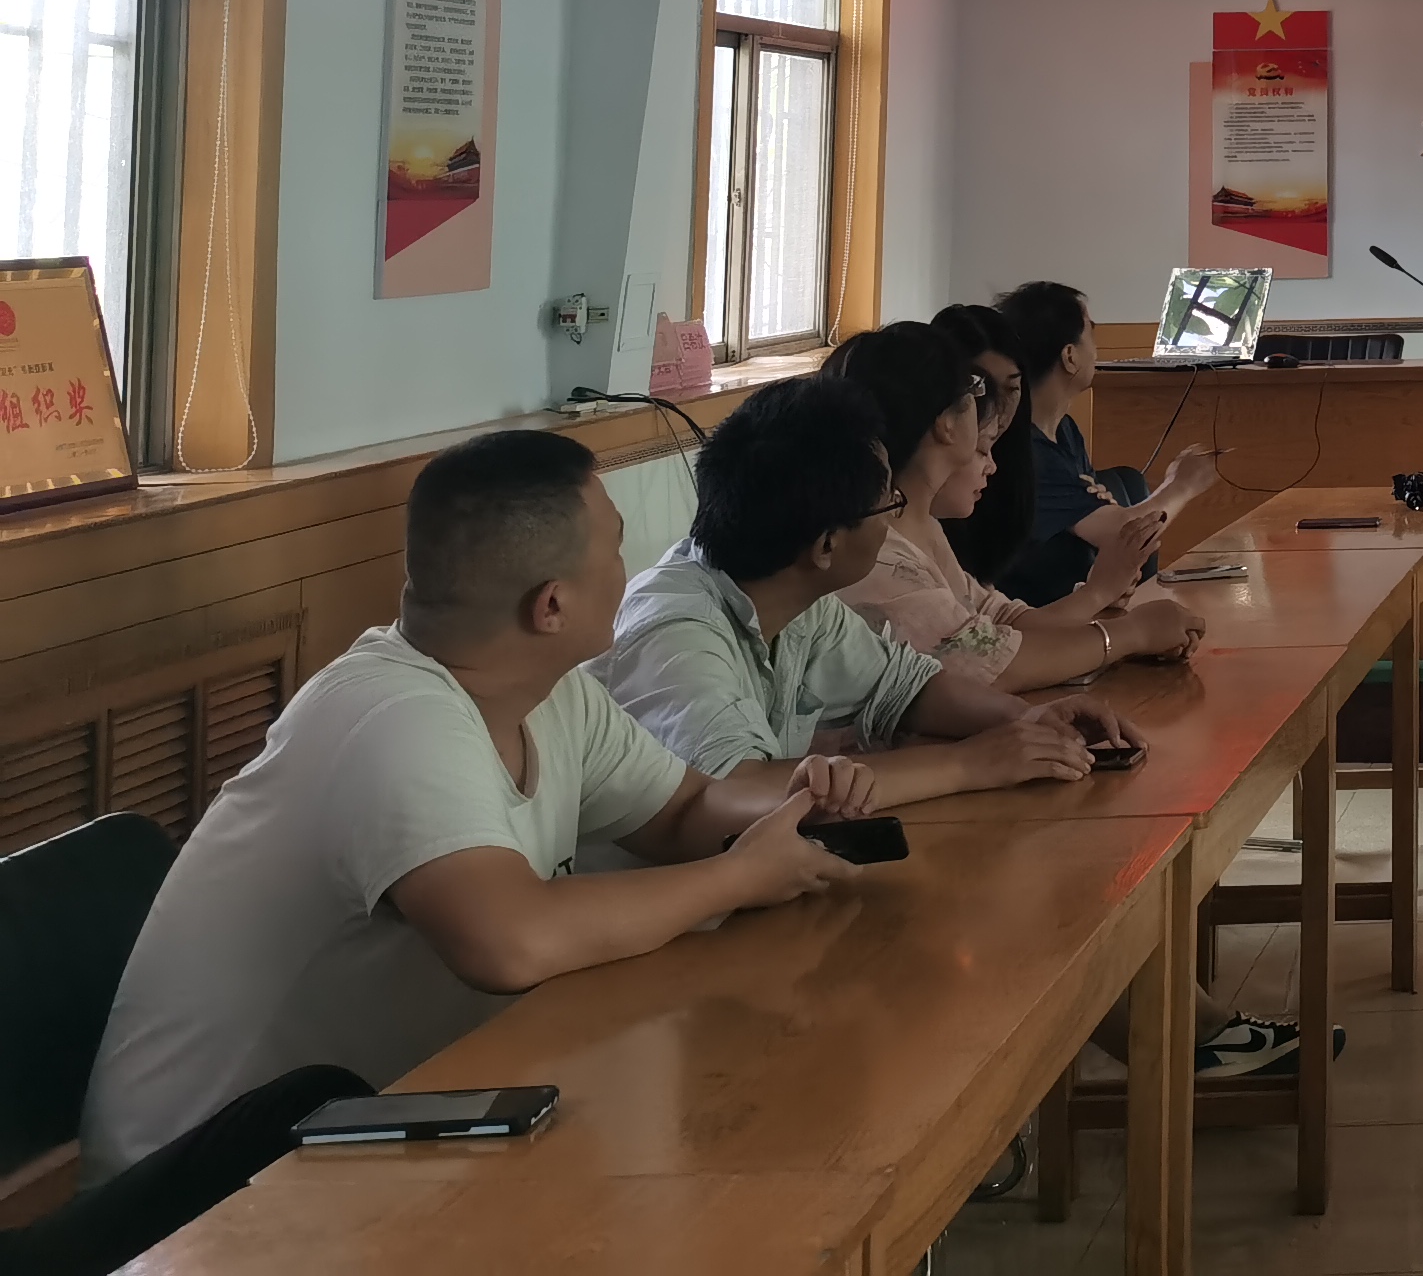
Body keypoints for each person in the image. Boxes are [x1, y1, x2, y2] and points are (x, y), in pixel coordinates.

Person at [82, 431, 862, 1178]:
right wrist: (739, 877)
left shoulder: (549, 697)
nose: (628, 571)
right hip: (200, 1185)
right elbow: (507, 943)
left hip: (363, 1124)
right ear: (551, 606)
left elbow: (683, 815)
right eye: (616, 549)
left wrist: (788, 814)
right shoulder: (394, 719)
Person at [597, 376, 1136, 800]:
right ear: (827, 545)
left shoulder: (796, 598)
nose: (897, 517)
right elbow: (733, 789)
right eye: (888, 503)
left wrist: (1028, 722)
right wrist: (968, 764)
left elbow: (906, 687)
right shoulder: (676, 632)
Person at [826, 319, 1202, 688]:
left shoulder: (923, 525)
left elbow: (1001, 624)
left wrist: (1104, 596)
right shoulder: (877, 550)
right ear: (946, 423)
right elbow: (986, 666)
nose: (995, 408)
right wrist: (1133, 633)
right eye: (976, 390)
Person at [991, 279, 1221, 608]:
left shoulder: (1064, 429)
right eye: (1091, 333)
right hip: (1031, 613)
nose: (1096, 350)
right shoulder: (1024, 448)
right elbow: (1125, 532)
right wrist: (1182, 485)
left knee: (1128, 483)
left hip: (1071, 598)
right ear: (1070, 356)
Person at [934, 300, 1039, 586]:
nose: (999, 408)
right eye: (984, 388)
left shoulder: (1017, 457)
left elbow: (983, 597)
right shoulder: (925, 494)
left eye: (1012, 388)